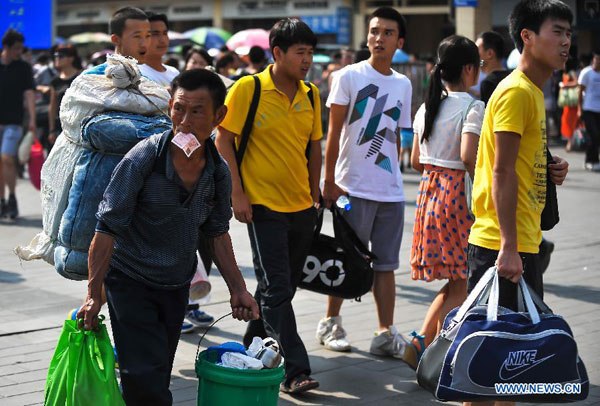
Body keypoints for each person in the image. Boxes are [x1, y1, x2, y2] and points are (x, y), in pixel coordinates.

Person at [78, 68, 259, 406]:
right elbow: (106, 228)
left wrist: (239, 289)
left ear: (220, 116)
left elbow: (217, 233)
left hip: (176, 285)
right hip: (130, 281)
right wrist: (93, 293)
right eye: (179, 109)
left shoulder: (218, 172)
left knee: (157, 371)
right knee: (144, 379)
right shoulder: (145, 157)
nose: (185, 121)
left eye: (197, 111)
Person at [467, 1, 571, 403]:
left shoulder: (529, 91)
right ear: (527, 36)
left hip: (519, 243)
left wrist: (548, 167)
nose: (566, 42)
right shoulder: (516, 93)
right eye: (557, 31)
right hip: (502, 246)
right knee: (486, 371)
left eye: (568, 34)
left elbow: (512, 162)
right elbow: (501, 172)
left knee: (506, 368)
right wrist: (509, 247)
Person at [216, 18, 322, 393]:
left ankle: (250, 344)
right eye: (300, 53)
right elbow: (223, 140)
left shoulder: (310, 93)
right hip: (262, 206)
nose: (307, 60)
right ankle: (295, 370)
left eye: (310, 53)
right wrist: (237, 193)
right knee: (277, 287)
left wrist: (315, 191)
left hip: (301, 206)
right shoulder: (249, 88)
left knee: (281, 287)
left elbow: (313, 146)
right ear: (277, 53)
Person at [316, 6, 413, 359]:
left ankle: (385, 333)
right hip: (350, 188)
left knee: (386, 266)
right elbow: (333, 133)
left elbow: (395, 137)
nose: (379, 38)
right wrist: (329, 181)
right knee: (346, 261)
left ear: (399, 42)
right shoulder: (348, 77)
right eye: (374, 31)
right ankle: (330, 322)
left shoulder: (403, 83)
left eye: (388, 33)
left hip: (391, 191)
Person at [403, 35, 484, 369]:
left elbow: (415, 161)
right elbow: (469, 156)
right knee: (462, 279)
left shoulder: (427, 106)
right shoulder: (472, 106)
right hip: (457, 197)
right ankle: (438, 353)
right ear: (468, 69)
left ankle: (423, 341)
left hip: (430, 191)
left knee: (456, 280)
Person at [0, 29, 36, 220]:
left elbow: (29, 94)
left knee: (6, 158)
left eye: (21, 49)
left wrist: (32, 120)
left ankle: (12, 198)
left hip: (14, 122)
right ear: (5, 47)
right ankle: (2, 202)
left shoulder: (23, 67)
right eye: (16, 49)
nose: (19, 52)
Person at [48, 45, 82, 147]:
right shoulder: (55, 81)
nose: (57, 58)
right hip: (61, 126)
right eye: (55, 56)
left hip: (78, 124)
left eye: (61, 56)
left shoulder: (81, 77)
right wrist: (51, 130)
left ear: (71, 58)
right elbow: (52, 106)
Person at [139, 12, 180, 87]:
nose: (162, 40)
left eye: (165, 33)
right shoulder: (138, 74)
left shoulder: (174, 73)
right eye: (155, 34)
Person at [578, 49, 600, 171]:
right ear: (593, 60)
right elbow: (580, 91)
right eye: (597, 60)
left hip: (599, 110)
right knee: (593, 135)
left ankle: (591, 159)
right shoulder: (586, 72)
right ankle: (592, 160)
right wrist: (579, 109)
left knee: (598, 136)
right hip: (588, 108)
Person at [476, 31, 510, 105]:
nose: (474, 55)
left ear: (490, 54)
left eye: (477, 49)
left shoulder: (488, 83)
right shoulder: (513, 77)